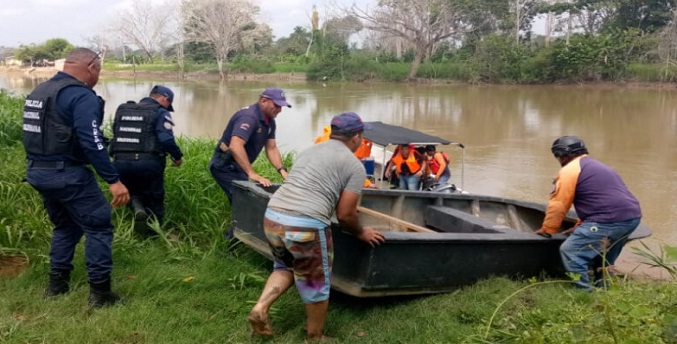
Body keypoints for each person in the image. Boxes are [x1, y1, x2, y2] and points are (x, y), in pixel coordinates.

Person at [247, 112, 385, 341]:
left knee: (284, 266)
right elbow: (346, 215)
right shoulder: (354, 165)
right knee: (316, 282)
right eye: (362, 136)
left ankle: (260, 307)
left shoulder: (308, 151)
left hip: (273, 215)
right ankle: (315, 336)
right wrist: (361, 232)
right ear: (356, 137)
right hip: (304, 225)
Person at [21, 47, 130, 308]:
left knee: (66, 227)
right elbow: (91, 141)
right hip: (67, 174)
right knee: (99, 226)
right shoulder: (81, 96)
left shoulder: (40, 91)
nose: (98, 77)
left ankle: (57, 286)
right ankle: (101, 294)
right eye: (99, 71)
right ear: (92, 66)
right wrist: (113, 180)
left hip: (38, 171)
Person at [535, 136, 642, 291]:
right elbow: (597, 199)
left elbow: (559, 204)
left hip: (608, 219)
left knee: (570, 251)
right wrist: (581, 225)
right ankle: (603, 288)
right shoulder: (598, 166)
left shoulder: (569, 170)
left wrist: (548, 230)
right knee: (604, 256)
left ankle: (584, 292)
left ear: (562, 154)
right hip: (632, 218)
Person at [209, 87, 291, 239]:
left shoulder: (269, 122)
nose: (279, 110)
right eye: (276, 105)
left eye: (281, 106)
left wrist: (283, 172)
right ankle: (232, 244)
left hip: (237, 167)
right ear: (263, 101)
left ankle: (238, 239)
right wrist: (252, 173)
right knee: (245, 203)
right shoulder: (249, 117)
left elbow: (271, 148)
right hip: (224, 166)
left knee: (243, 203)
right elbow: (235, 145)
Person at [110, 85, 183, 235]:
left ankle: (138, 210)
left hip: (120, 161)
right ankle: (153, 235)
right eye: (169, 104)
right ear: (165, 99)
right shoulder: (160, 112)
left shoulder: (123, 109)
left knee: (130, 191)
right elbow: (166, 139)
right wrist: (177, 156)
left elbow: (115, 132)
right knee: (154, 196)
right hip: (148, 162)